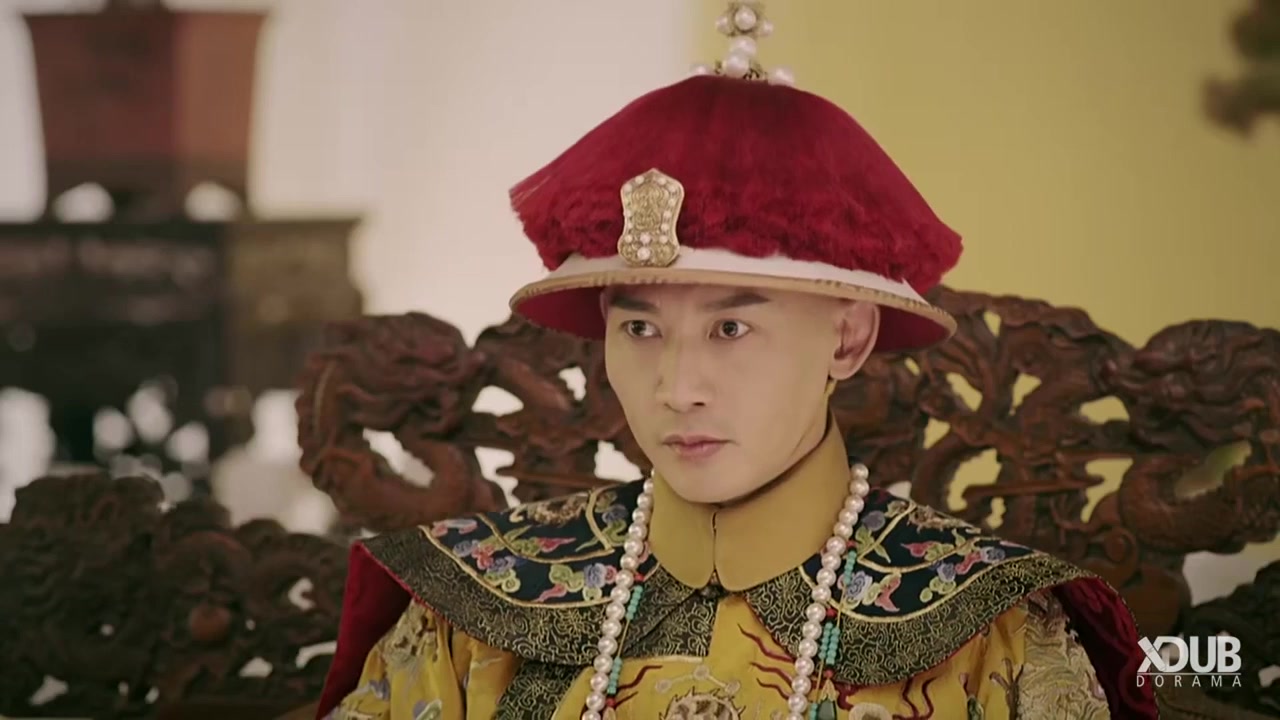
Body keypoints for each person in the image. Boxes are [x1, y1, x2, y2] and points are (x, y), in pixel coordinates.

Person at [315, 4, 1157, 718]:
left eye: (730, 329)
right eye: (640, 328)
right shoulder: (467, 613)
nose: (677, 389)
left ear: (848, 339)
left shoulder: (995, 633)